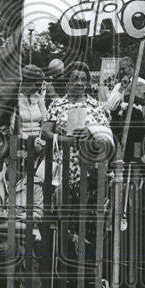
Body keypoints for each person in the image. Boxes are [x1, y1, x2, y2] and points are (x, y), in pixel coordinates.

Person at [41, 61, 112, 199]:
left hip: (90, 168)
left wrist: (91, 133)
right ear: (67, 82)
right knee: (63, 207)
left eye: (83, 80)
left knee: (87, 211)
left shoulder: (96, 106)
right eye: (75, 79)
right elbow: (45, 133)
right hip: (62, 167)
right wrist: (64, 139)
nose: (79, 83)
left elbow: (107, 135)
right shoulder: (57, 105)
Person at [16, 64, 48, 140]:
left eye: (40, 84)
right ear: (26, 82)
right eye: (37, 84)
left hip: (39, 140)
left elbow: (46, 121)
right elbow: (14, 129)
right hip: (20, 142)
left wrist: (40, 139)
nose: (39, 87)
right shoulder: (14, 99)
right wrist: (30, 141)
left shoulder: (38, 98)